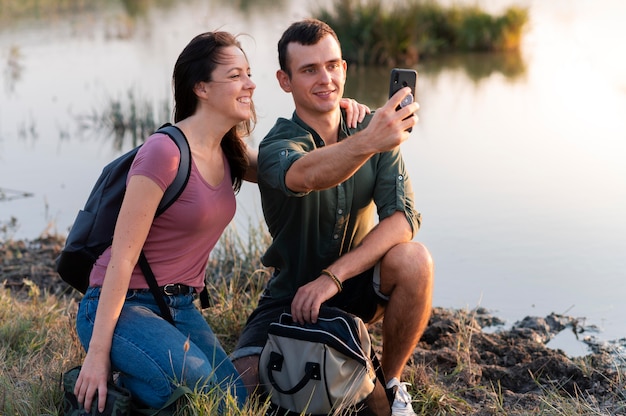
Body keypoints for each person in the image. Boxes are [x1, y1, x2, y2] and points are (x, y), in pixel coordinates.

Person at [72, 30, 368, 413]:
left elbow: (300, 174)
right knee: (207, 401)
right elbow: (122, 260)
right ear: (201, 88)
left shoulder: (230, 150)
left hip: (180, 306)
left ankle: (141, 375)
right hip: (122, 305)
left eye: (248, 73)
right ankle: (118, 383)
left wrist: (337, 113)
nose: (250, 84)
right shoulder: (165, 152)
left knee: (237, 402)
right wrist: (98, 355)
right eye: (235, 76)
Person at [231, 19, 434, 416]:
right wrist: (368, 141)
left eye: (332, 65)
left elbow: (403, 219)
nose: (325, 78)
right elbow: (307, 174)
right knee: (241, 387)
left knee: (415, 259)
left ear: (345, 68)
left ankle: (390, 384)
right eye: (309, 70)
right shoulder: (279, 143)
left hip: (354, 290)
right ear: (284, 80)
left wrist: (333, 278)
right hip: (290, 296)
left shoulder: (373, 127)